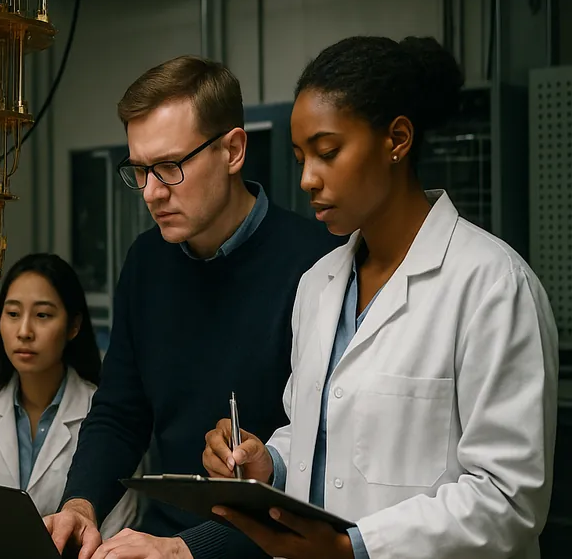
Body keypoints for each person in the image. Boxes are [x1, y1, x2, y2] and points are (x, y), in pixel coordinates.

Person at [203, 35, 559, 559]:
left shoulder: (492, 286)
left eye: (327, 153)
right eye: (301, 158)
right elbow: (319, 436)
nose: (307, 179)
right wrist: (268, 463)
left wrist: (356, 548)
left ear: (397, 139)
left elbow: (508, 499)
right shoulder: (318, 285)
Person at [45, 56, 343, 559]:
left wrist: (185, 549)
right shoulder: (146, 262)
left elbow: (322, 472)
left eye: (169, 167)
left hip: (274, 547)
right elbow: (120, 412)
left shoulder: (318, 265)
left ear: (233, 150)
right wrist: (81, 504)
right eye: (140, 170)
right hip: (161, 538)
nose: (151, 192)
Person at [0, 253, 137, 538]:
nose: (24, 331)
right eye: (13, 314)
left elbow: (116, 534)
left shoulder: (110, 417)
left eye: (42, 315)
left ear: (73, 326)